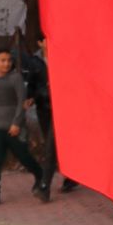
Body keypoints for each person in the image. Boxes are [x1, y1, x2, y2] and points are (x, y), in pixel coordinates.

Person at [0, 48, 48, 207]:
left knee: (24, 157)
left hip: (13, 127)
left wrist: (16, 123)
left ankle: (40, 175)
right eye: (2, 60)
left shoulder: (15, 78)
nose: (6, 64)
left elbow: (21, 102)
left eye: (9, 60)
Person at [26, 33, 79, 195]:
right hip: (43, 107)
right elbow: (31, 83)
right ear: (40, 43)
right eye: (46, 40)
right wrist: (30, 97)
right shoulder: (35, 62)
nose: (50, 43)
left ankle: (44, 186)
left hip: (61, 109)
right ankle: (72, 176)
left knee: (50, 145)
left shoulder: (64, 58)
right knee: (56, 145)